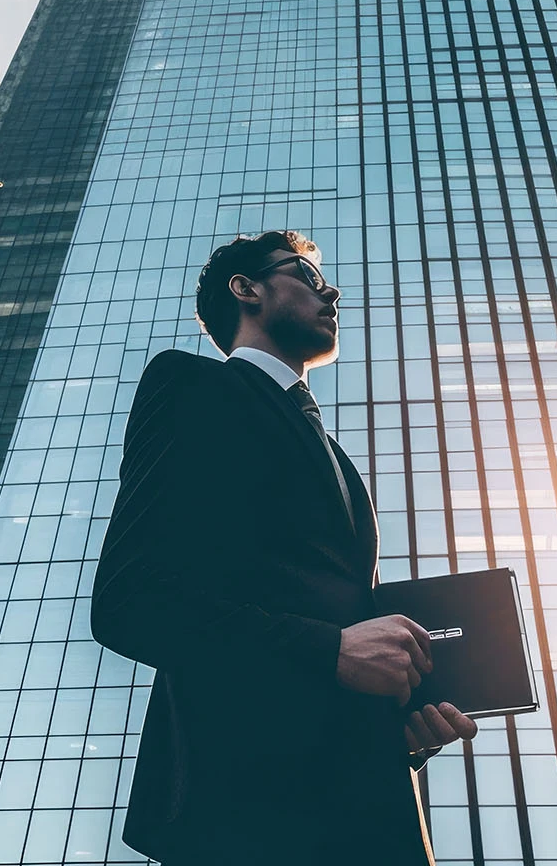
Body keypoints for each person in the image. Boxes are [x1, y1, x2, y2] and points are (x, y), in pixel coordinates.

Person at [91, 230, 477, 865]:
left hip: (365, 812)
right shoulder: (193, 386)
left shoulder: (339, 460)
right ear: (246, 290)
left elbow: (337, 628)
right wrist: (331, 651)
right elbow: (131, 599)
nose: (332, 292)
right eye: (306, 275)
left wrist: (402, 722)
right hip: (248, 813)